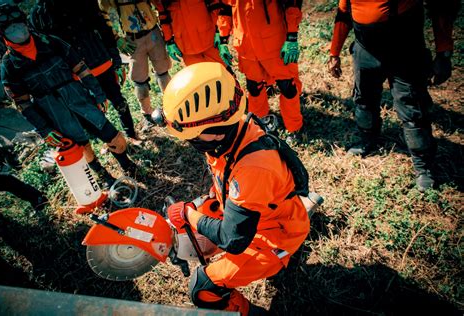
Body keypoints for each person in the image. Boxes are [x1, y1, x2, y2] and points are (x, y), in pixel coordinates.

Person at [158, 62, 322, 315]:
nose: (190, 141)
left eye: (193, 135)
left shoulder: (253, 168)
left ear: (214, 131)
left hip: (274, 236)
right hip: (263, 215)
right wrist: (210, 201)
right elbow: (225, 177)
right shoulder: (230, 130)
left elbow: (233, 240)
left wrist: (188, 214)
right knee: (203, 214)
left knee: (202, 288)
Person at [0, 4, 137, 187]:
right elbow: (22, 103)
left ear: (25, 23)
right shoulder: (9, 66)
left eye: (19, 24)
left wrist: (98, 94)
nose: (17, 30)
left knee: (113, 136)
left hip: (80, 99)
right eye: (10, 28)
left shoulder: (51, 42)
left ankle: (126, 164)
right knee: (83, 147)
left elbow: (81, 68)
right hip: (54, 113)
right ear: (2, 33)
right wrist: (45, 129)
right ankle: (105, 177)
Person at [327, 0, 460, 192]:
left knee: (413, 110)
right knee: (364, 99)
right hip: (366, 49)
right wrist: (334, 52)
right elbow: (343, 13)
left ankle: (423, 167)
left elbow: (440, 7)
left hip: (404, 52)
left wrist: (443, 52)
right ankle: (368, 139)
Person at [28, 0, 141, 143]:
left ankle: (131, 135)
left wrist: (116, 61)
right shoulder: (38, 16)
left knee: (119, 103)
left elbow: (103, 28)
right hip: (76, 76)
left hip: (101, 62)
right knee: (93, 113)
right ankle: (113, 141)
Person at [217, 0, 305, 144]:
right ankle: (260, 125)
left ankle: (294, 128)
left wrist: (292, 36)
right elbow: (226, 8)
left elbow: (291, 4)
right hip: (246, 45)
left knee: (287, 87)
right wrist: (222, 38)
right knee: (254, 88)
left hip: (274, 42)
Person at [98, 0, 172, 131]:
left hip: (153, 33)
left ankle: (172, 105)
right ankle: (147, 114)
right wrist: (116, 38)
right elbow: (102, 15)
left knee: (163, 71)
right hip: (133, 40)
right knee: (139, 79)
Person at [153, 0, 230, 70]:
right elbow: (163, 16)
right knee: (200, 81)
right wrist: (169, 40)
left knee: (224, 74)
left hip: (210, 41)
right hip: (186, 47)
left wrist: (218, 30)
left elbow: (214, 5)